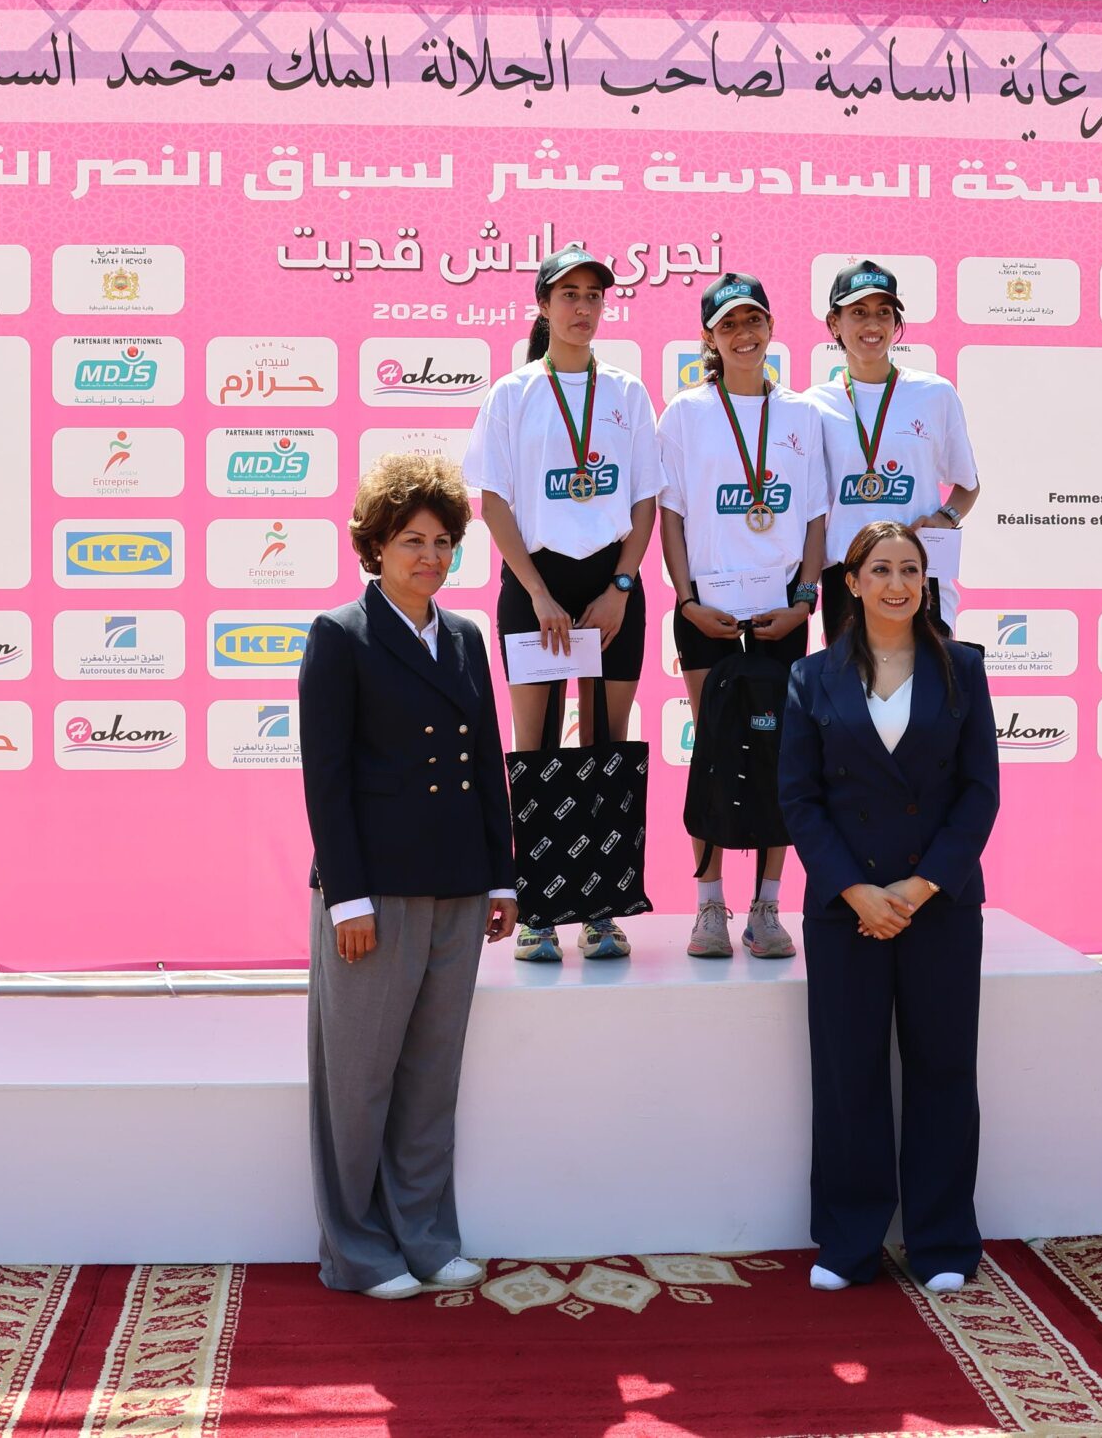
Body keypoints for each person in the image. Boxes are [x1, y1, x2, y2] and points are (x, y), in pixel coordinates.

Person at [298, 451, 519, 1298]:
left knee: (430, 1076)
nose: (430, 556)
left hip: (457, 885)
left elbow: (487, 762)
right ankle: (356, 1250)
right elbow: (326, 778)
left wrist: (501, 878)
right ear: (375, 547)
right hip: (374, 893)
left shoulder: (464, 637)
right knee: (357, 1082)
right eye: (411, 541)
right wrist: (346, 897)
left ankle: (425, 1237)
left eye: (442, 542)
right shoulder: (341, 635)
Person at [779, 521, 998, 1293]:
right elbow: (799, 799)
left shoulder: (963, 669)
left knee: (944, 1068)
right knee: (849, 1074)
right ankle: (848, 1244)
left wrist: (919, 886)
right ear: (852, 582)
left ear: (926, 582)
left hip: (940, 902)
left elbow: (979, 794)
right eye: (880, 569)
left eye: (910, 569)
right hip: (847, 909)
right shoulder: (811, 677)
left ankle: (942, 1242)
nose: (897, 583)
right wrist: (857, 891)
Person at [466, 245, 662, 963]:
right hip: (536, 585)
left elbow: (644, 501)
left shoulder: (627, 393)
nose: (583, 307)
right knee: (538, 751)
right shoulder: (513, 393)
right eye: (568, 294)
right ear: (543, 306)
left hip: (612, 586)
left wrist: (620, 587)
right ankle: (540, 913)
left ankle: (603, 911)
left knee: (606, 748)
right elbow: (492, 502)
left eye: (593, 295)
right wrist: (539, 593)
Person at [657, 272, 828, 959]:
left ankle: (767, 907)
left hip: (781, 613)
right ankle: (708, 906)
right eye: (728, 324)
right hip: (708, 614)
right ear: (710, 337)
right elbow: (671, 517)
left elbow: (815, 517)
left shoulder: (802, 415)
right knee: (713, 754)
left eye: (753, 320)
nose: (744, 334)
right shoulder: (685, 412)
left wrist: (805, 599)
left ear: (772, 326)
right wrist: (687, 600)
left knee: (781, 756)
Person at [801, 260, 981, 638]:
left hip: (919, 572)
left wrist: (945, 517)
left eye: (884, 313)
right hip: (847, 579)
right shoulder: (812, 406)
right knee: (851, 679)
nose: (873, 325)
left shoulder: (935, 393)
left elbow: (968, 485)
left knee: (929, 678)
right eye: (859, 313)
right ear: (834, 323)